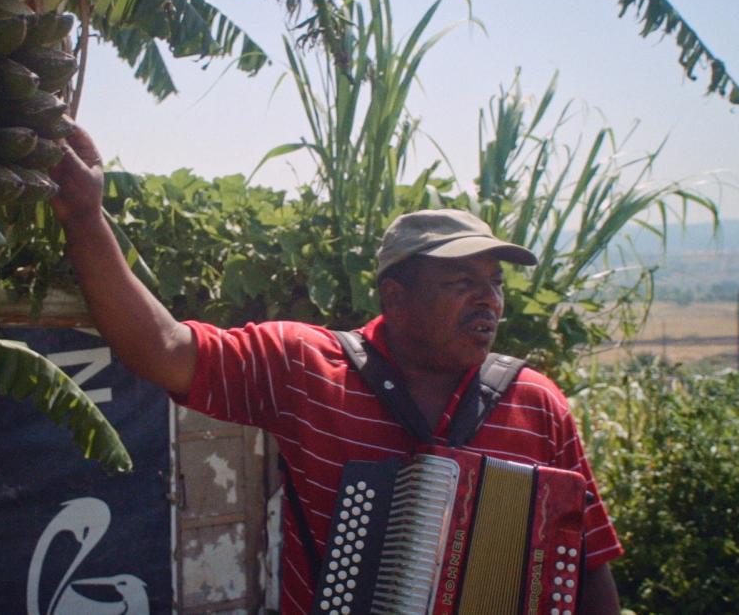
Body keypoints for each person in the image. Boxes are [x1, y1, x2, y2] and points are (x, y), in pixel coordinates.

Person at [49, 127, 623, 614]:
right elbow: (163, 349)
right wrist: (84, 216)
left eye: (494, 283)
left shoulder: (536, 402)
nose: (489, 302)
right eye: (461, 284)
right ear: (395, 298)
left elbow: (590, 564)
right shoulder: (307, 368)